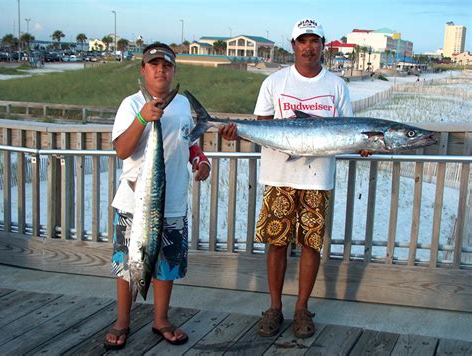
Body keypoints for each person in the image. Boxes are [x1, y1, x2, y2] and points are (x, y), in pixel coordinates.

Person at [219, 18, 370, 339]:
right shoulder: (274, 83)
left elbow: (349, 131)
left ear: (323, 45)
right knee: (276, 242)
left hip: (318, 179)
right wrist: (237, 132)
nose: (309, 47)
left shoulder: (336, 86)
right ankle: (275, 307)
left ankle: (302, 308)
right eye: (303, 41)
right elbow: (261, 126)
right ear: (293, 46)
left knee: (310, 244)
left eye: (314, 41)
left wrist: (364, 144)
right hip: (279, 176)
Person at [104, 42, 211, 350]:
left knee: (166, 264)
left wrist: (200, 161)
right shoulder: (131, 104)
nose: (160, 70)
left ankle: (161, 319)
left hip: (173, 199)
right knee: (128, 264)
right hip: (134, 203)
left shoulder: (179, 107)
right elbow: (122, 149)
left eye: (166, 66)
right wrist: (142, 118)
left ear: (173, 70)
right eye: (154, 65)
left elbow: (188, 142)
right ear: (143, 70)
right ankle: (122, 321)